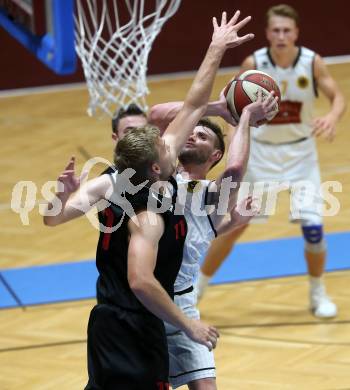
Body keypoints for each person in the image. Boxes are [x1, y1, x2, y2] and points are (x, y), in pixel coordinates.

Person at [43, 11, 255, 389]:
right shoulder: (149, 216)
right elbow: (140, 280)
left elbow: (53, 220)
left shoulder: (109, 183)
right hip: (132, 324)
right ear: (158, 168)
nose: (169, 139)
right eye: (164, 146)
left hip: (110, 322)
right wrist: (189, 324)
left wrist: (217, 46)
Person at [110, 92, 278, 390]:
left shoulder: (210, 197)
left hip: (181, 302)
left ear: (215, 155)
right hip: (141, 303)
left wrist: (244, 120)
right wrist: (223, 108)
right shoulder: (158, 173)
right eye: (193, 131)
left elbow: (235, 170)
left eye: (203, 137)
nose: (193, 136)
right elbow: (157, 112)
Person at [197, 4, 346, 319]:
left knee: (314, 230)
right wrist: (233, 143)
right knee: (233, 226)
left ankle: (318, 294)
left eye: (286, 30)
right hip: (261, 155)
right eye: (275, 30)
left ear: (296, 33)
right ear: (267, 34)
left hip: (301, 155)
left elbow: (338, 96)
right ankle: (197, 287)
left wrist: (332, 115)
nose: (281, 36)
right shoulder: (255, 65)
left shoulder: (311, 62)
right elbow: (231, 107)